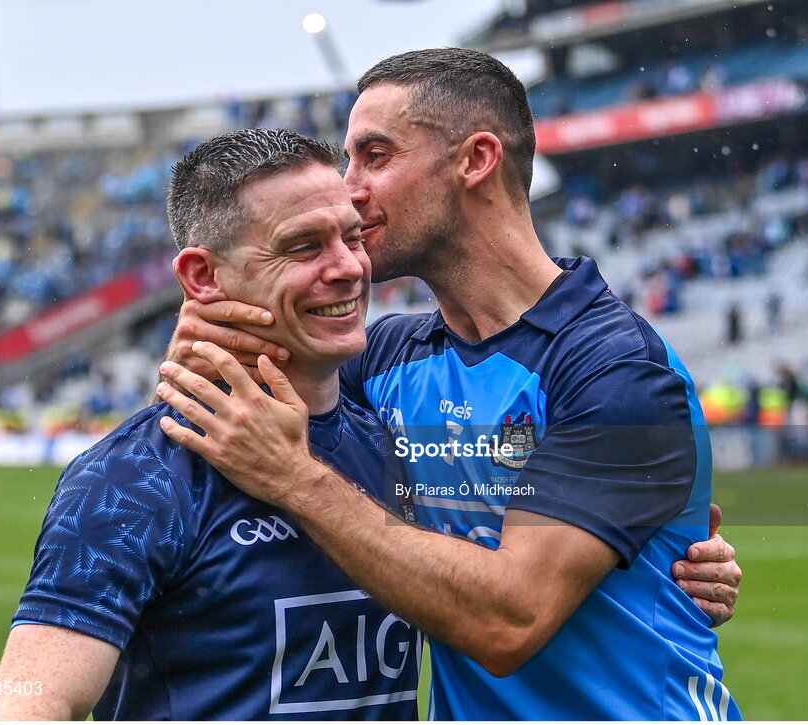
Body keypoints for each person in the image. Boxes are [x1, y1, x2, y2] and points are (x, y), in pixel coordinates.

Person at [159, 48, 742, 719]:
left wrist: (295, 478)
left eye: (374, 155)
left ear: (475, 160)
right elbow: (202, 412)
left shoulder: (616, 368)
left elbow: (509, 621)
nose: (349, 190)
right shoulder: (382, 357)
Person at [0, 129, 423, 720]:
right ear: (203, 277)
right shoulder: (132, 476)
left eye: (351, 237)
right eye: (302, 247)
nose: (347, 268)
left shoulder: (393, 434)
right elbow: (27, 706)